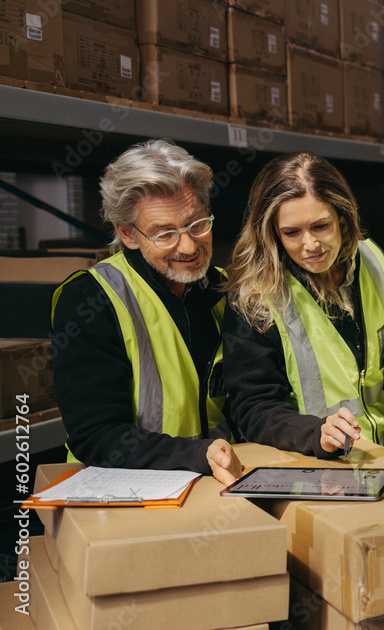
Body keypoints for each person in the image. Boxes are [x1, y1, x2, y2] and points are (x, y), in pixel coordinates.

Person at [51, 139, 242, 485]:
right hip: (124, 491)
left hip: (215, 480)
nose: (188, 246)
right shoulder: (91, 300)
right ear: (128, 234)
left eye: (198, 224)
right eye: (165, 234)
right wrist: (197, 454)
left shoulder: (222, 289)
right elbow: (96, 435)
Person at [223, 152, 384, 457]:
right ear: (272, 234)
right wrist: (314, 433)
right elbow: (253, 406)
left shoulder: (372, 260)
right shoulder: (254, 298)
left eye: (320, 226)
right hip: (313, 465)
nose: (311, 245)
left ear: (342, 218)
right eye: (292, 232)